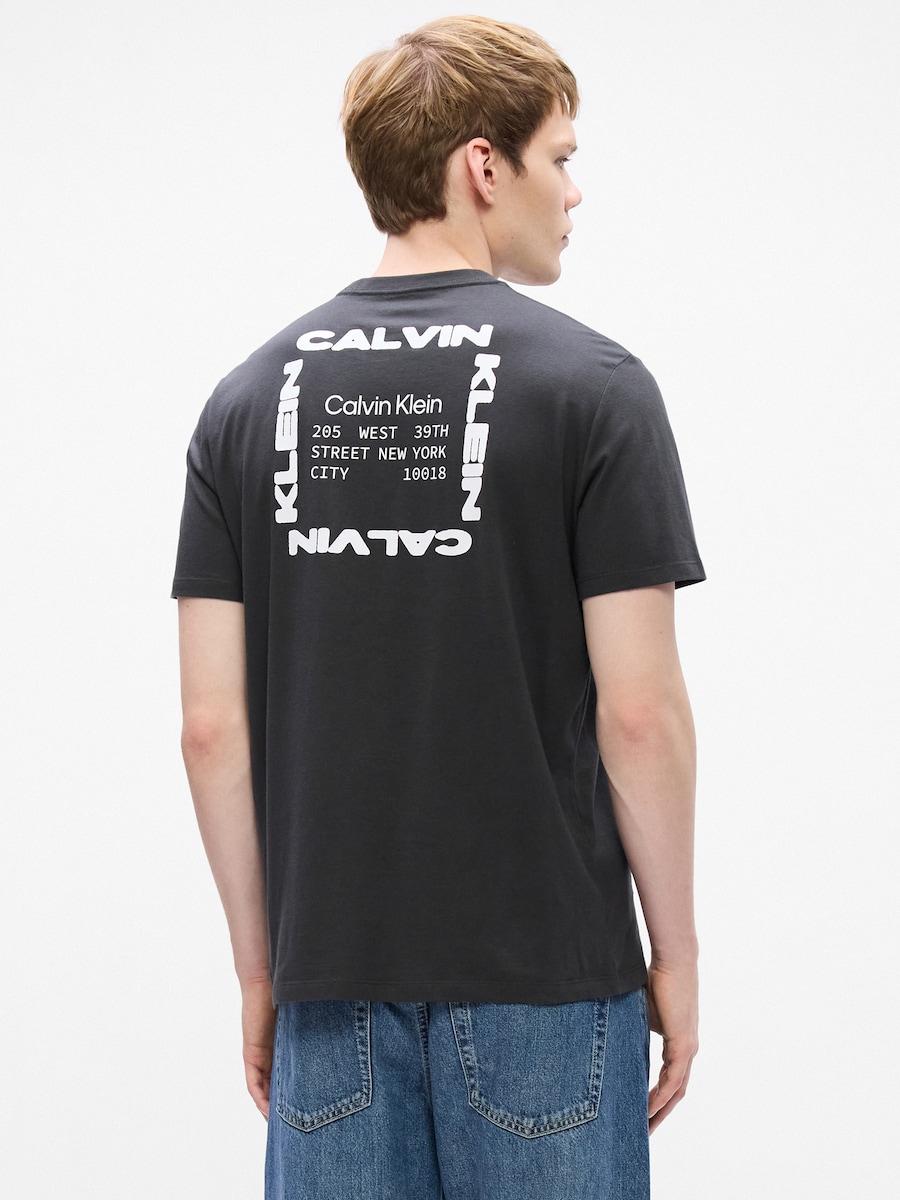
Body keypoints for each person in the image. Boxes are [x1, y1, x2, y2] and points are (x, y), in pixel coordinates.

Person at [170, 14, 706, 1198]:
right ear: (483, 165)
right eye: (560, 156)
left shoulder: (243, 403)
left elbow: (210, 730)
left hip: (330, 992)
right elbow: (639, 715)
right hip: (548, 987)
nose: (574, 190)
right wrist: (673, 949)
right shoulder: (595, 391)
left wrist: (261, 972)